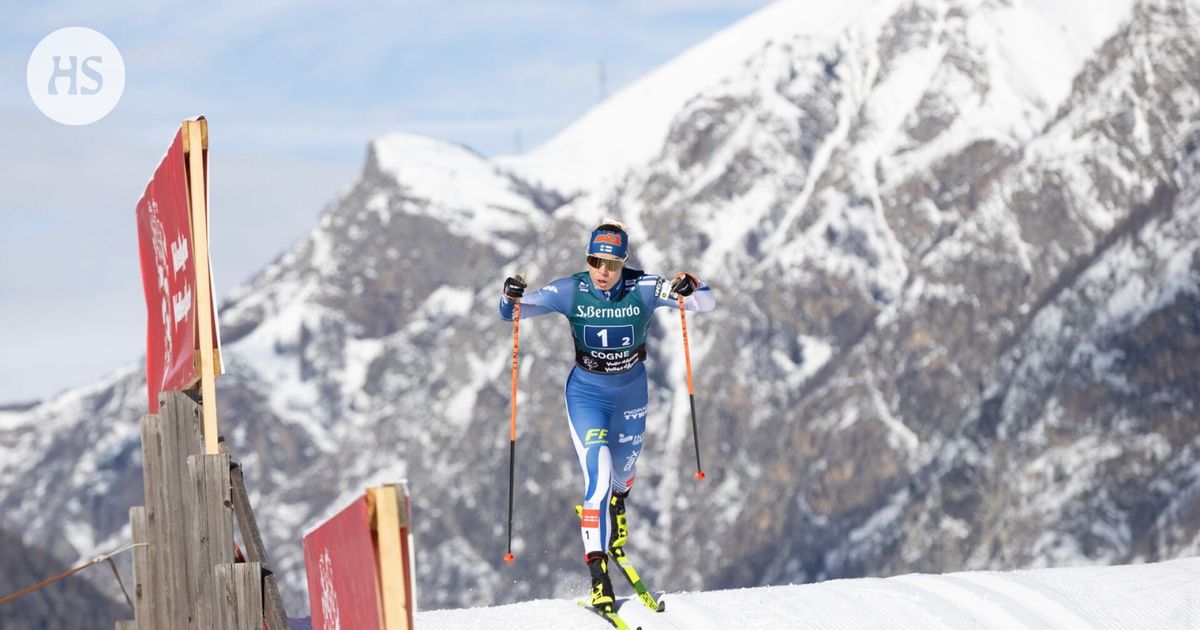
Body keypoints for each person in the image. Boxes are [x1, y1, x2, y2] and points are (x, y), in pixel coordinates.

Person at [498, 219, 716, 613]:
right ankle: (600, 580)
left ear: (624, 264)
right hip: (587, 395)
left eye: (612, 264)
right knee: (597, 478)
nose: (603, 271)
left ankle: (617, 507)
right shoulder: (571, 290)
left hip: (631, 394)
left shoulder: (645, 288)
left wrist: (692, 284)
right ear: (588, 259)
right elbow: (512, 313)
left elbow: (705, 302)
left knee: (623, 475)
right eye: (596, 261)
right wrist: (509, 294)